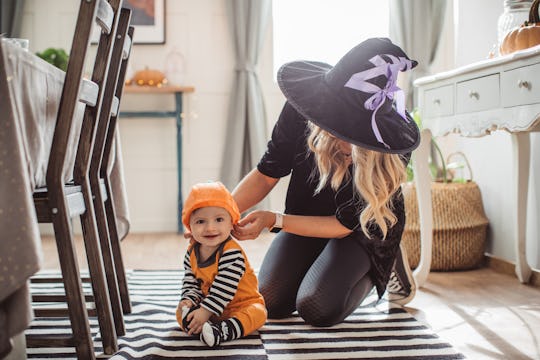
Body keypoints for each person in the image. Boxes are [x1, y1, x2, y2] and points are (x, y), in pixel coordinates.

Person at [231, 37, 420, 327]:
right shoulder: (301, 109)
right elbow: (267, 172)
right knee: (270, 300)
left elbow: (345, 224)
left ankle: (387, 261)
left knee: (317, 307)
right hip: (306, 218)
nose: (342, 136)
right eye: (338, 121)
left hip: (362, 229)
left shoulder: (392, 145)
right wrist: (217, 212)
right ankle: (321, 262)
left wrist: (274, 219)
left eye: (354, 128)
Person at [176, 181, 267, 346]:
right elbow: (190, 280)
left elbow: (224, 288)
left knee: (258, 313)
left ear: (231, 222)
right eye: (200, 222)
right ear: (190, 226)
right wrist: (189, 299)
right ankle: (201, 326)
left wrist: (205, 311)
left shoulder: (231, 253)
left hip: (240, 305)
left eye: (219, 219)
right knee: (180, 311)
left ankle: (223, 331)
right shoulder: (192, 252)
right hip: (211, 306)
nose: (210, 228)